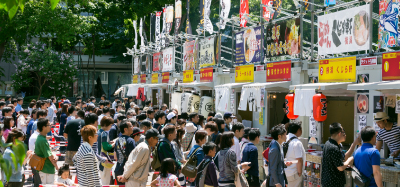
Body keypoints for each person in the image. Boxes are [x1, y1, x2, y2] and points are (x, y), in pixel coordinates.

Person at [321, 123, 360, 187]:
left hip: (328, 182)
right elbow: (341, 167)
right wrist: (350, 159)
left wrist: (354, 144)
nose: (345, 134)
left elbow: (343, 158)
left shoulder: (328, 143)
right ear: (339, 133)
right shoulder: (334, 147)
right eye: (343, 132)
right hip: (333, 183)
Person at [35, 118, 58, 184]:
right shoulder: (42, 140)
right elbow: (49, 156)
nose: (50, 126)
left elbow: (49, 152)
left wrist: (54, 155)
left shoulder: (41, 138)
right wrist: (57, 167)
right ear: (43, 127)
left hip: (46, 169)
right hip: (46, 169)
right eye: (49, 125)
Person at [114, 119, 136, 184]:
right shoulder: (130, 141)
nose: (133, 127)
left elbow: (115, 157)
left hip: (118, 170)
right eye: (131, 126)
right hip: (127, 172)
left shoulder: (117, 140)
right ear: (125, 129)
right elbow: (134, 157)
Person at [284, 122, 306, 187]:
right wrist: (300, 172)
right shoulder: (297, 142)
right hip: (294, 173)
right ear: (299, 130)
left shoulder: (284, 138)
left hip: (284, 171)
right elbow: (299, 159)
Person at [97, 116, 116, 185]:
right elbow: (106, 147)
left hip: (98, 158)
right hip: (104, 160)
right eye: (110, 125)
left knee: (101, 179)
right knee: (105, 181)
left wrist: (109, 143)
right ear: (105, 125)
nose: (111, 127)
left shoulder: (98, 132)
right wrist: (113, 144)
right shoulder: (104, 133)